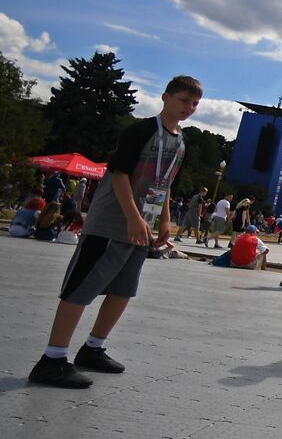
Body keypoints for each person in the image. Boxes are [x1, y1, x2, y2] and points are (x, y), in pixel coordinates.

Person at [28, 76, 201, 388]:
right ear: (165, 97)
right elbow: (119, 173)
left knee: (123, 290)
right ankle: (52, 358)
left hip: (142, 227)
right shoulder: (141, 130)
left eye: (194, 103)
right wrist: (133, 217)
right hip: (112, 222)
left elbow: (165, 184)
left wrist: (163, 220)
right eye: (183, 100)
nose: (189, 108)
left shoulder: (181, 142)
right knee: (81, 287)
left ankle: (93, 348)